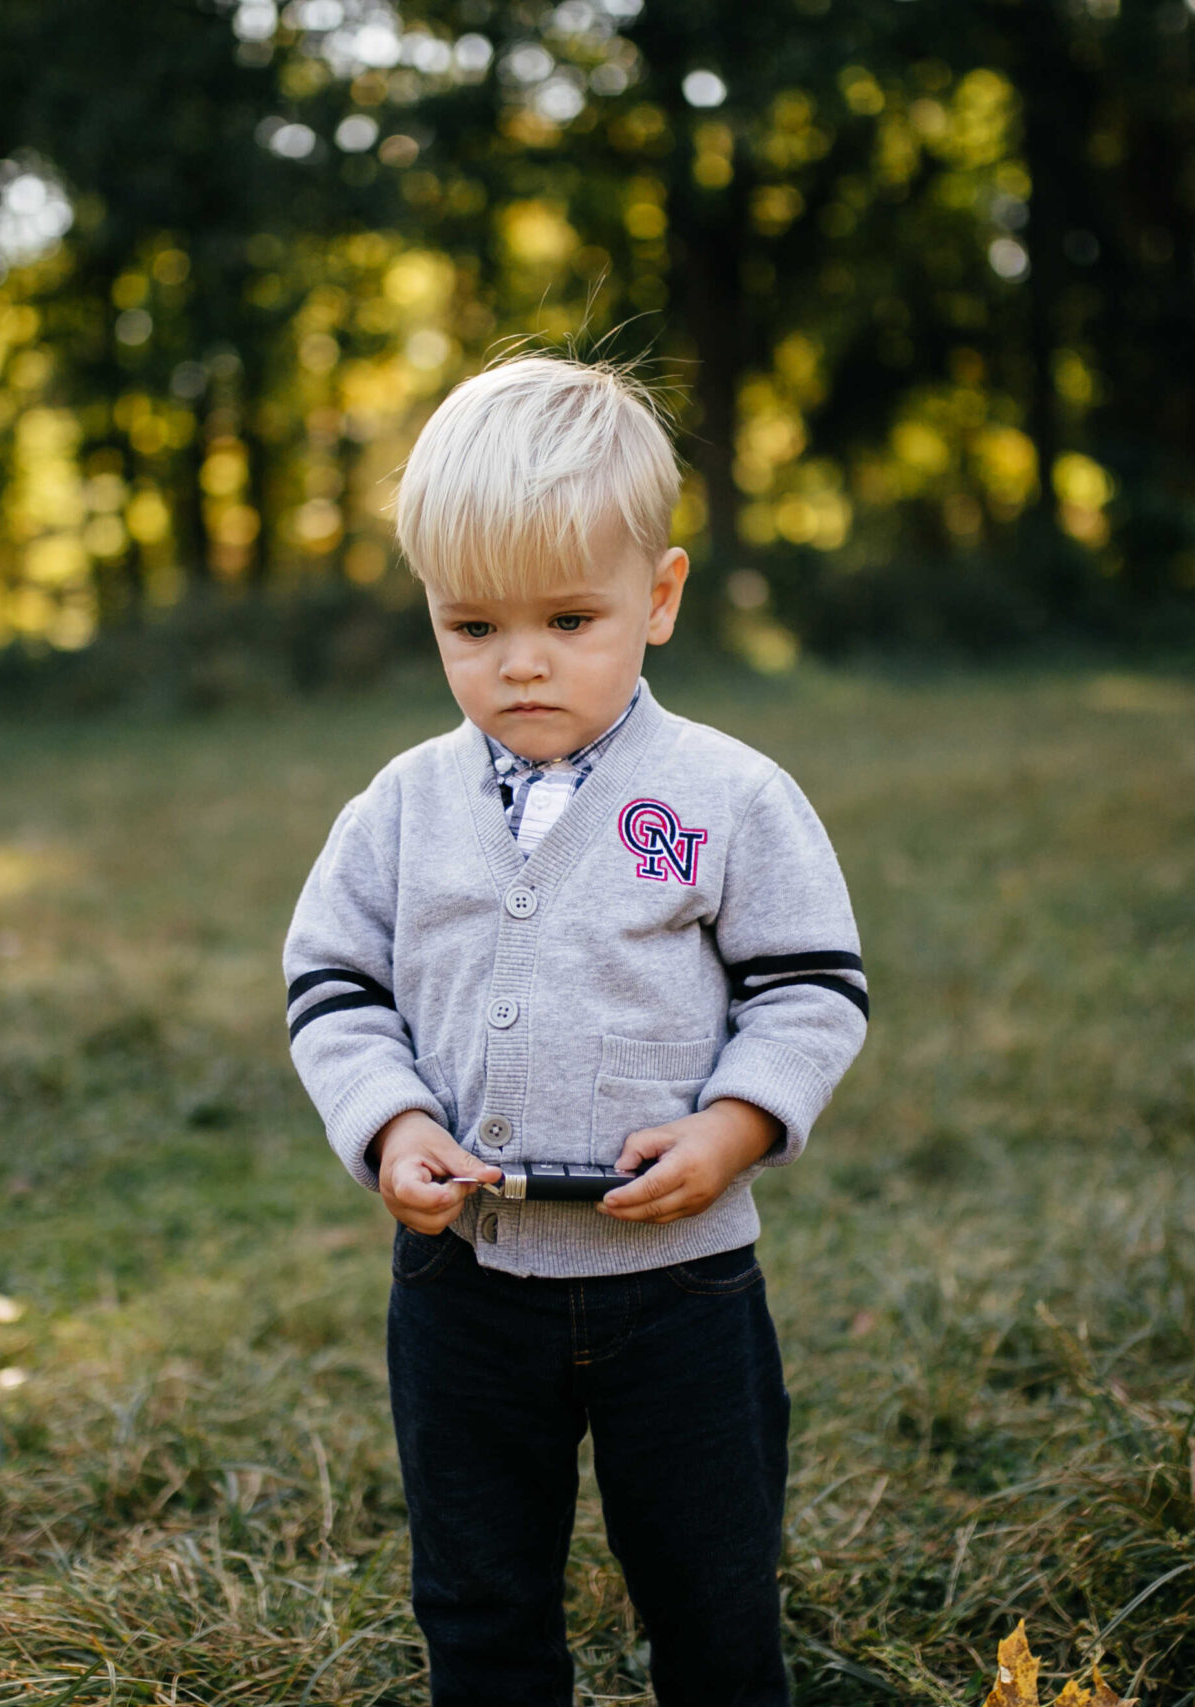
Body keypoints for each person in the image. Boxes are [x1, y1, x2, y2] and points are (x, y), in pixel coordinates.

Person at [281, 354, 870, 1707]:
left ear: (657, 599)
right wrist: (394, 1123)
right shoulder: (401, 807)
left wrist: (734, 1129)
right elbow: (333, 985)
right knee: (480, 1604)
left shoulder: (728, 796)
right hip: (466, 1287)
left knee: (712, 1599)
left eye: (567, 618)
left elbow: (810, 988)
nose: (522, 663)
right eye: (472, 628)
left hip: (683, 1284)